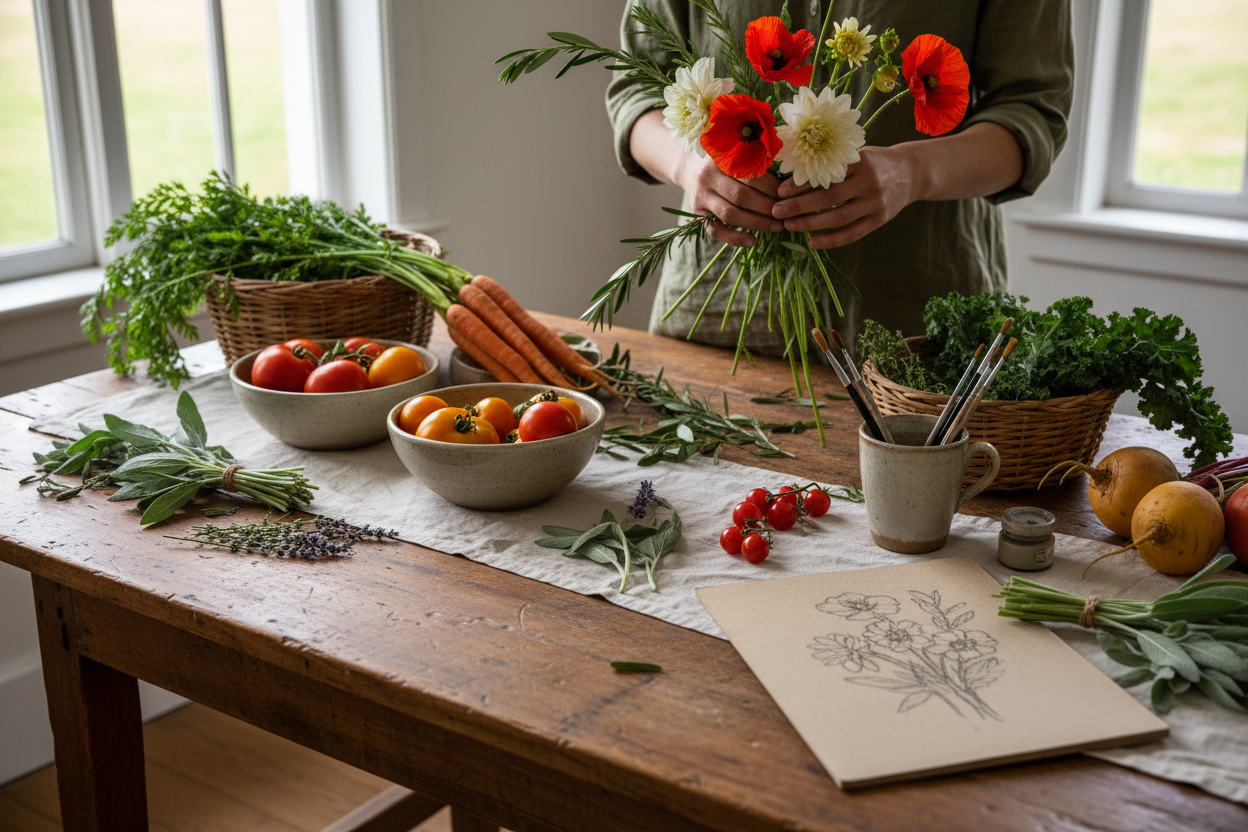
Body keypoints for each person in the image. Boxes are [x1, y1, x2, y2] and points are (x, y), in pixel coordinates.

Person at [605, 0, 1073, 355]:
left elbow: (1033, 112)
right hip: (716, 318)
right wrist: (689, 166)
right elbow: (637, 91)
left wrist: (913, 172)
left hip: (915, 324)